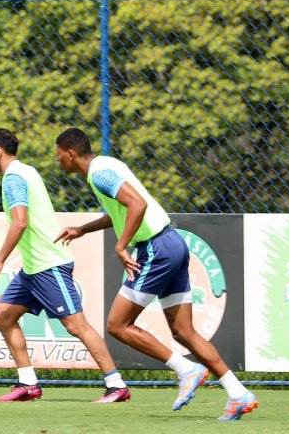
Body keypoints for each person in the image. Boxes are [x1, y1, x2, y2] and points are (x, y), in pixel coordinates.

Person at [54, 128, 257, 421]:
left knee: (117, 325)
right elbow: (121, 211)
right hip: (172, 242)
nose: (57, 160)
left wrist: (122, 246)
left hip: (156, 249)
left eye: (58, 154)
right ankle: (238, 394)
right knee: (184, 332)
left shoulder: (99, 173)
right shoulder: (106, 166)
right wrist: (82, 229)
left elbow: (138, 204)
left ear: (70, 153)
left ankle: (186, 369)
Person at [0, 128, 131, 403]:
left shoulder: (13, 178)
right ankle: (28, 384)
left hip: (48, 265)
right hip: (33, 269)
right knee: (3, 316)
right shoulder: (26, 171)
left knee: (77, 325)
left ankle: (116, 385)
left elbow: (20, 222)